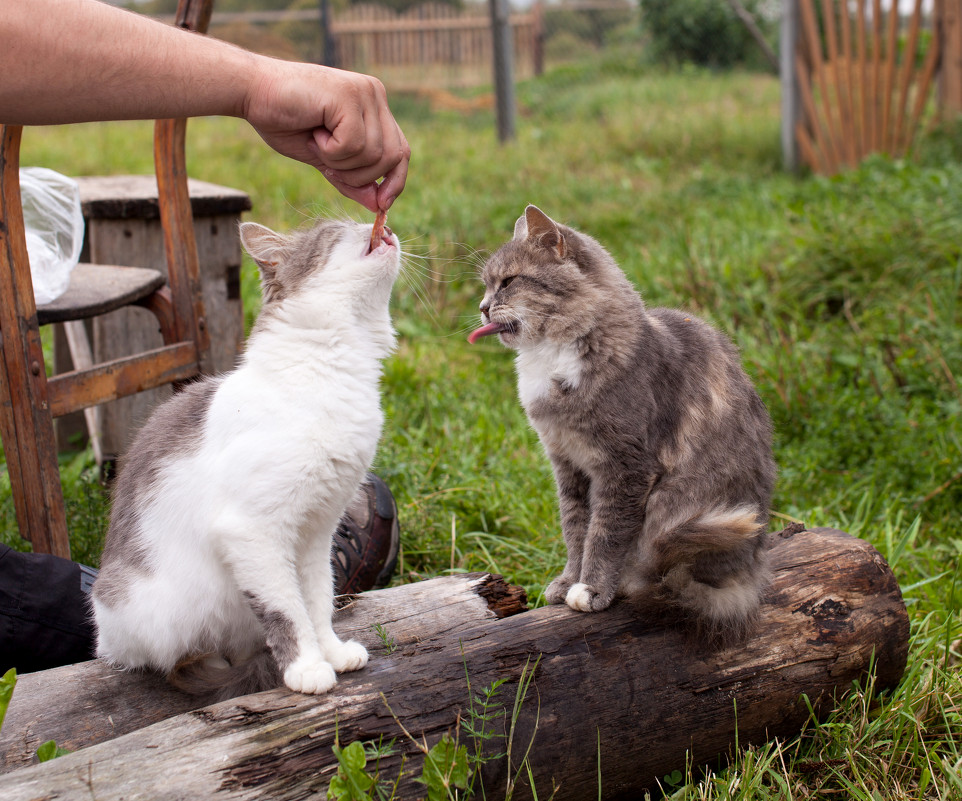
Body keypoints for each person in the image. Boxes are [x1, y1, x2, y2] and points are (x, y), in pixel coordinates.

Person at [0, 0, 406, 673]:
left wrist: (256, 86)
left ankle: (279, 614)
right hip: (162, 607)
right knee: (251, 530)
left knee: (288, 521)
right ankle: (110, 613)